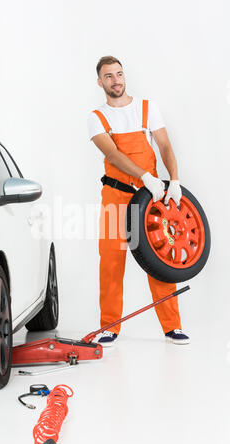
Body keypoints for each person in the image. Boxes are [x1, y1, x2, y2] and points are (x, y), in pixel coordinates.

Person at [87, 56, 190, 347]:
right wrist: (145, 175)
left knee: (159, 260)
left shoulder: (147, 108)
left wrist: (174, 179)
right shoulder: (96, 116)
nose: (116, 80)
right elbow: (113, 154)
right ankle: (109, 327)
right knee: (110, 261)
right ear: (100, 82)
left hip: (151, 198)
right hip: (115, 197)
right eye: (109, 76)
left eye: (119, 74)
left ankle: (172, 327)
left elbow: (166, 145)